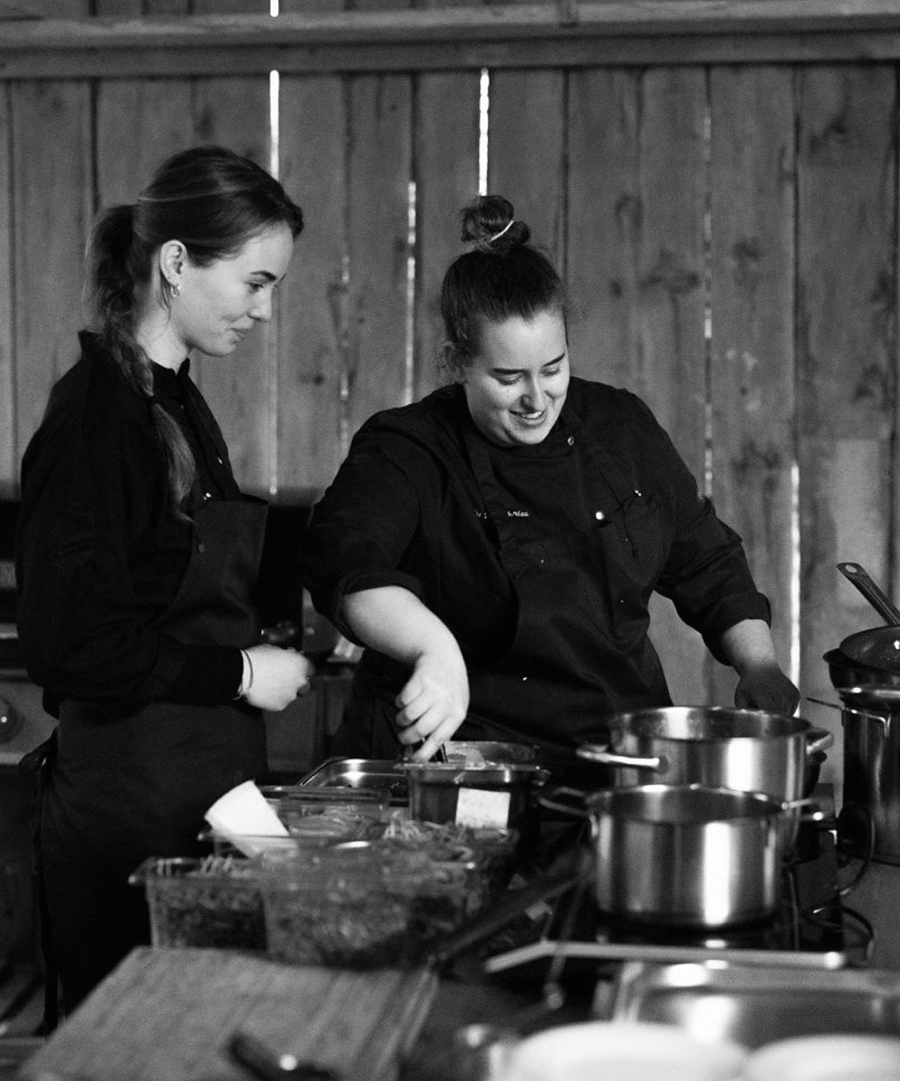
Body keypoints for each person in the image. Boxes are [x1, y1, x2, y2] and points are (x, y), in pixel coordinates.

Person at [302, 194, 799, 768]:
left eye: (554, 368)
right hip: (463, 763)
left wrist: (758, 665)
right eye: (509, 378)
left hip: (615, 759)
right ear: (456, 362)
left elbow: (707, 561)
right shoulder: (408, 448)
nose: (537, 399)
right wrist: (432, 647)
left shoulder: (620, 427)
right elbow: (345, 563)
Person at [15, 145, 312, 1016]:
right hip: (128, 821)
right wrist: (244, 673)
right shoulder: (96, 420)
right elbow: (78, 648)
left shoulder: (178, 401)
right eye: (254, 282)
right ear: (176, 263)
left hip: (208, 795)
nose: (263, 311)